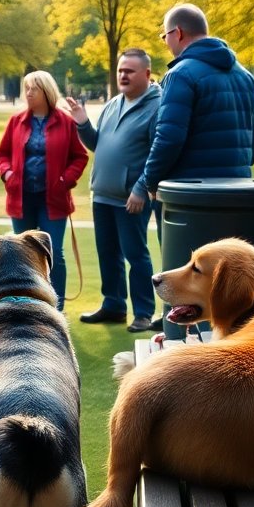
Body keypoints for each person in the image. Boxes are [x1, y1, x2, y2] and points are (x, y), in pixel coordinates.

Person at [139, 3, 254, 340]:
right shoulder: (244, 75)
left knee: (184, 280)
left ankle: (180, 348)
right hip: (238, 193)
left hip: (188, 198)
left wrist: (149, 182)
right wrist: (235, 170)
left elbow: (168, 137)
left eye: (165, 36)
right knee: (221, 287)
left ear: (177, 33)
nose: (166, 42)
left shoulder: (181, 74)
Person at [64, 48, 161, 333]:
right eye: (121, 70)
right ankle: (114, 305)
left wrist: (141, 189)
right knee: (108, 253)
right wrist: (82, 122)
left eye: (130, 71)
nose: (123, 75)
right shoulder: (112, 104)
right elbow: (98, 144)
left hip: (132, 198)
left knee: (135, 254)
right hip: (103, 194)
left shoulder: (157, 107)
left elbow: (158, 154)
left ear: (146, 74)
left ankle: (143, 311)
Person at [0, 70, 89, 310]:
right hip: (21, 199)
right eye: (26, 88)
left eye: (33, 89)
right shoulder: (16, 121)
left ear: (46, 91)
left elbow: (79, 156)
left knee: (53, 254)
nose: (28, 93)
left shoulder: (65, 122)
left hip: (53, 200)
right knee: (22, 254)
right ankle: (25, 307)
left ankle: (56, 310)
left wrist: (65, 180)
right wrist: (7, 173)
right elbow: (2, 153)